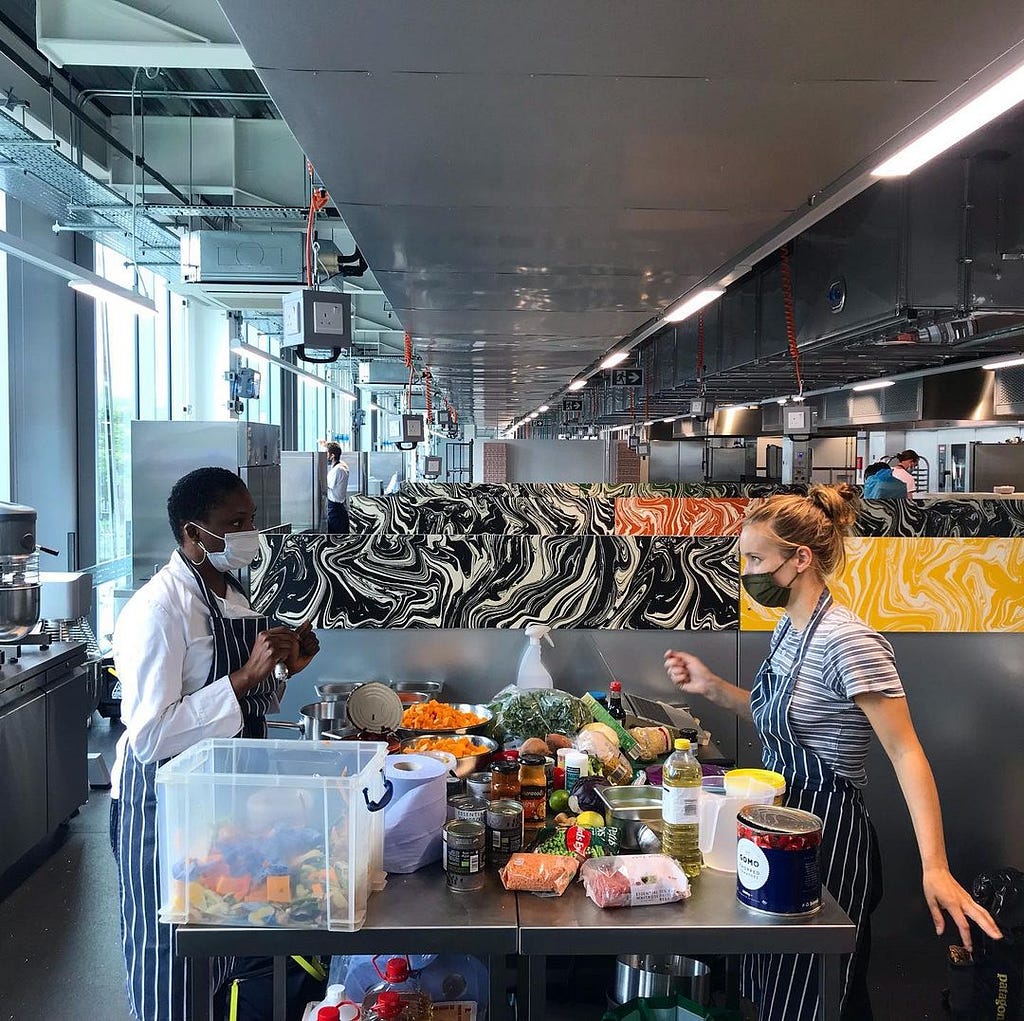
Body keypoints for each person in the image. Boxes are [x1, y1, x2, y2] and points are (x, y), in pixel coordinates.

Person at [663, 485, 999, 1021]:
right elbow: (779, 717)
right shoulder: (788, 629)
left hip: (830, 843)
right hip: (776, 830)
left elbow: (906, 751)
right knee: (777, 991)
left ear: (800, 559)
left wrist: (934, 866)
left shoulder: (849, 642)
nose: (745, 571)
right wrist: (712, 688)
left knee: (822, 1000)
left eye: (755, 559)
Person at [110, 467, 320, 1021]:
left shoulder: (229, 593)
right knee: (171, 955)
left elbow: (243, 708)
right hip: (163, 803)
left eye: (251, 520)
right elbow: (151, 734)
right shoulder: (158, 612)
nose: (249, 534)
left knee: (223, 943)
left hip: (221, 795)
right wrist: (247, 677)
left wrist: (282, 672)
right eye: (234, 524)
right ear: (191, 534)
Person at [325, 441, 351, 533]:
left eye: (326, 453)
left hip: (335, 509)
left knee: (335, 538)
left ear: (332, 456)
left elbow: (326, 486)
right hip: (339, 508)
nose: (325, 456)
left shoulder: (337, 470)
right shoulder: (342, 466)